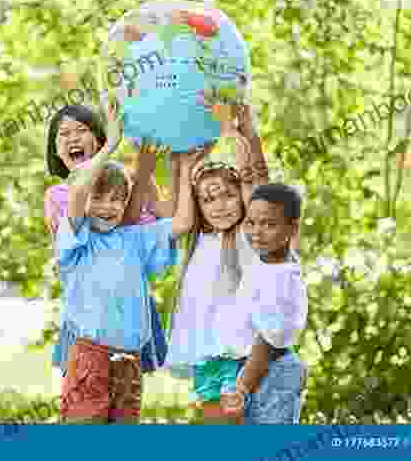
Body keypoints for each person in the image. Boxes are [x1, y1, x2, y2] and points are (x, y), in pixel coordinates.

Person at [54, 125, 205, 423]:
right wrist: (110, 145)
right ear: (85, 201)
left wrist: (186, 168)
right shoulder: (78, 239)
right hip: (89, 356)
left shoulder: (135, 238)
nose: (108, 207)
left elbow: (183, 222)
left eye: (117, 199)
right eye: (98, 198)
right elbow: (76, 192)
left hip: (129, 361)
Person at [44, 104, 177, 390]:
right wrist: (138, 175)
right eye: (63, 134)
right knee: (86, 404)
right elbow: (111, 233)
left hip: (128, 312)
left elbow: (163, 217)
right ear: (56, 150)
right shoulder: (58, 195)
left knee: (123, 404)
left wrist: (159, 167)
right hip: (89, 318)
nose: (72, 138)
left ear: (100, 140)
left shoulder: (126, 181)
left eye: (81, 130)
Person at [165, 104, 275, 424]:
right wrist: (191, 153)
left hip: (241, 352)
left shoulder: (247, 233)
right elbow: (179, 200)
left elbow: (260, 184)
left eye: (228, 195)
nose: (219, 206)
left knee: (239, 424)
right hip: (206, 354)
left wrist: (245, 136)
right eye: (208, 199)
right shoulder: (197, 238)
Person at [219, 183, 308, 424]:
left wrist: (241, 389)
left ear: (292, 228)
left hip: (268, 372)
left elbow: (264, 345)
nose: (257, 232)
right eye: (251, 223)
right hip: (259, 369)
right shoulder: (272, 262)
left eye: (268, 224)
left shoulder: (279, 279)